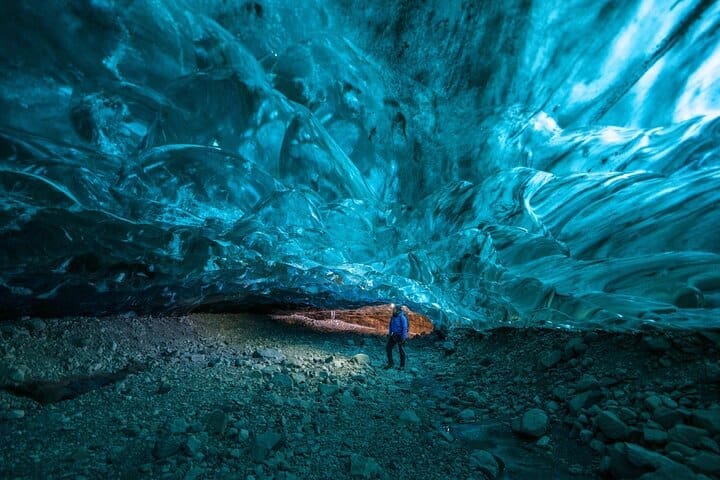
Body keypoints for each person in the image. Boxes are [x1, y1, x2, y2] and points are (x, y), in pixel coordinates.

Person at [385, 304, 408, 369]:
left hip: (400, 336)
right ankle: (391, 363)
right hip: (394, 335)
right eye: (393, 309)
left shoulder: (402, 317)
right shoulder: (393, 317)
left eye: (394, 309)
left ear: (398, 310)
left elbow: (404, 327)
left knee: (401, 350)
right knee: (388, 348)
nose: (393, 310)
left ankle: (402, 366)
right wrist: (390, 334)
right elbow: (390, 326)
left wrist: (403, 337)